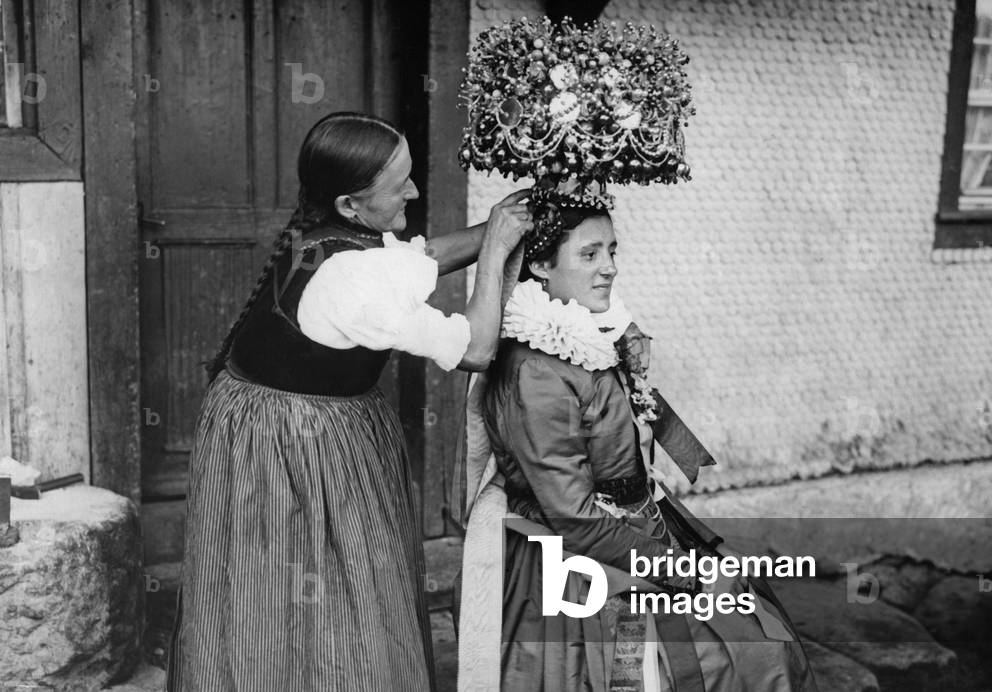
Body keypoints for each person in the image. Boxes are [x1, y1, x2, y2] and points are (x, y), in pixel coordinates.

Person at [167, 111, 531, 691]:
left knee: (275, 581)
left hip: (258, 424)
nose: (414, 190)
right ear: (348, 207)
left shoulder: (329, 233)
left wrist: (497, 225)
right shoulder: (352, 279)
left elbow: (420, 258)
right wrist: (497, 254)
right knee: (331, 579)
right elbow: (477, 349)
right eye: (399, 186)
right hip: (301, 438)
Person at [457, 204, 817, 691]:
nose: (609, 266)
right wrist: (682, 572)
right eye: (589, 254)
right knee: (736, 659)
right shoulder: (536, 370)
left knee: (755, 633)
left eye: (611, 250)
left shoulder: (586, 335)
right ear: (540, 267)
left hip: (634, 529)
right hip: (580, 561)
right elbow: (574, 519)